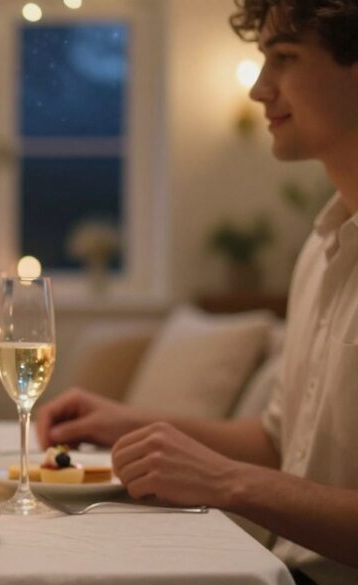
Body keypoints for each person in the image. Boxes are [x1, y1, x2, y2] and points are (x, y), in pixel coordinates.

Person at [36, 2, 358, 583]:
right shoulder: (322, 247)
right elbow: (279, 441)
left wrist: (225, 483)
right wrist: (129, 423)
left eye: (284, 58)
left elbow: (254, 471)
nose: (260, 89)